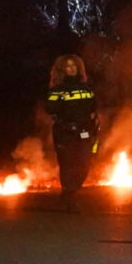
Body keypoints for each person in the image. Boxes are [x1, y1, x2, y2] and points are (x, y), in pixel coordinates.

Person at [42, 55, 98, 197]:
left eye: (74, 66)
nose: (72, 69)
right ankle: (69, 195)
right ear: (62, 70)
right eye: (68, 66)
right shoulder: (57, 90)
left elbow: (94, 107)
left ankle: (73, 191)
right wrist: (61, 99)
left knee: (85, 163)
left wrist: (94, 126)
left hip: (84, 132)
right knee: (67, 165)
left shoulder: (86, 89)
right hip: (65, 133)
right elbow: (49, 108)